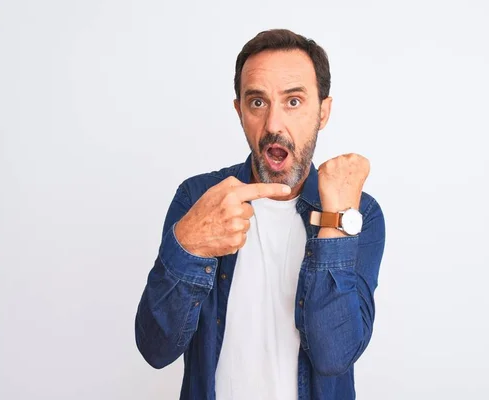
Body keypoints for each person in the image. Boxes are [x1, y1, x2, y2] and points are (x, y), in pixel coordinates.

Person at [135, 28, 386, 400]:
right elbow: (156, 348)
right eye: (257, 103)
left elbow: (335, 355)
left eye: (294, 102)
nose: (272, 125)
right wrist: (188, 246)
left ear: (323, 111)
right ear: (239, 111)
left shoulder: (359, 211)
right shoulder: (197, 198)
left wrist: (335, 221)